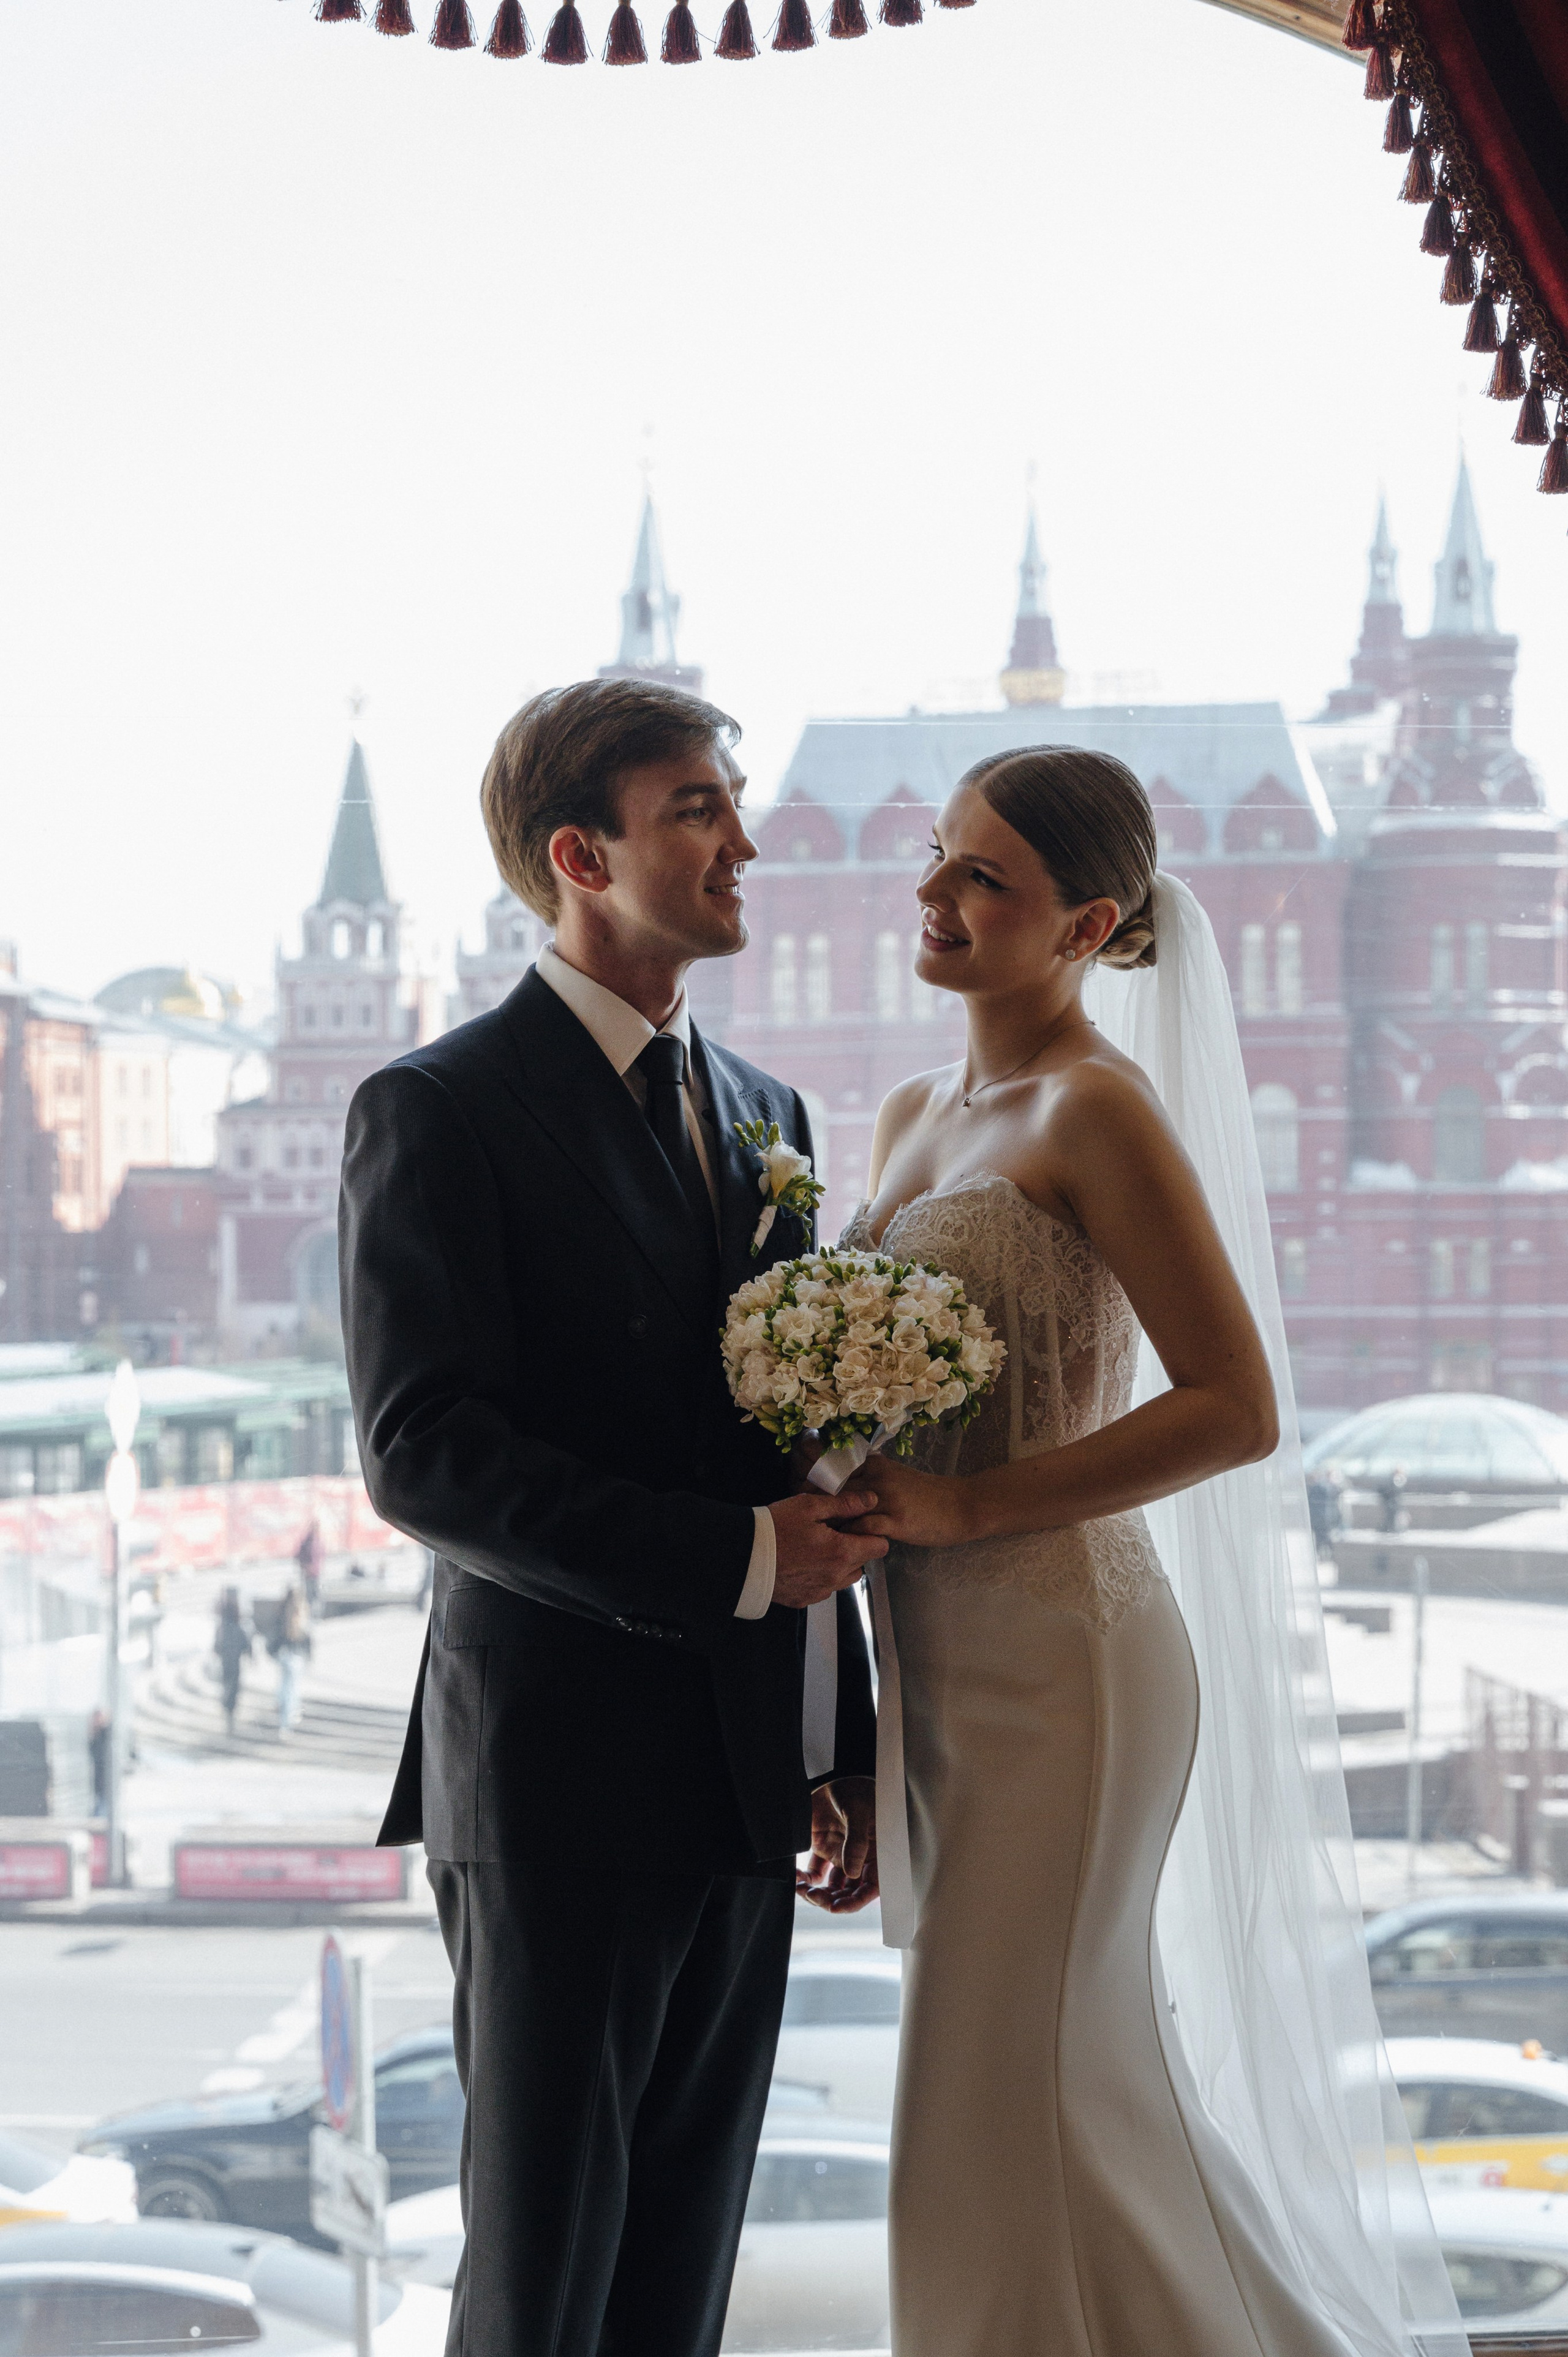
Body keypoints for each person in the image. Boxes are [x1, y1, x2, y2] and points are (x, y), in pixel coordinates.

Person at [842, 747, 1466, 2357]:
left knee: (994, 2087)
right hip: (937, 1659)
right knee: (1063, 2083)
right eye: (936, 855)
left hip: (1068, 1660)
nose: (933, 894)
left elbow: (1240, 1407)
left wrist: (973, 1507)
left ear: (1086, 923)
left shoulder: (1098, 1111)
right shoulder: (918, 1113)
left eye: (985, 878)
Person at [339, 679, 884, 2357]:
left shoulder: (767, 1119)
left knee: (678, 2274)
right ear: (583, 854)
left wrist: (837, 1731)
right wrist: (735, 1565)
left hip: (741, 1776)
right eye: (698, 809)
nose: (746, 839)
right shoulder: (438, 1109)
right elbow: (423, 1453)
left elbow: (803, 1462)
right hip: (553, 1781)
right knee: (544, 2275)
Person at [272, 1585, 311, 1737]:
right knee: (293, 1688)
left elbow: (276, 1636)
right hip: (297, 1657)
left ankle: (285, 1718)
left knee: (285, 1686)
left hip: (285, 1655)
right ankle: (292, 1714)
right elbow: (307, 1639)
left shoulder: (283, 1613)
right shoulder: (302, 1614)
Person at [213, 1587, 252, 1736]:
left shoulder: (222, 1629)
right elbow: (246, 1645)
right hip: (235, 1663)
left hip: (226, 1662)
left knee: (227, 1687)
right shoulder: (238, 1627)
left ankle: (227, 1710)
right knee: (234, 1688)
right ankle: (230, 1711)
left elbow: (216, 1647)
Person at [295, 1520, 323, 1612]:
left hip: (315, 1572)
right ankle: (311, 1614)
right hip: (309, 1572)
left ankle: (315, 1614)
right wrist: (305, 1566)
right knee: (310, 1595)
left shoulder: (316, 1541)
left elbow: (321, 1555)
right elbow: (300, 1556)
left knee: (315, 1594)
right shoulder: (309, 1541)